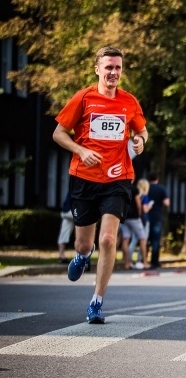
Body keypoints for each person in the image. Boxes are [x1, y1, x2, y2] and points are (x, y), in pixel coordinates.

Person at [53, 46, 148, 323]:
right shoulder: (84, 98)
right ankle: (84, 255)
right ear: (97, 69)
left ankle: (96, 301)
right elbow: (58, 133)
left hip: (118, 178)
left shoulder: (129, 101)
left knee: (108, 239)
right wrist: (81, 150)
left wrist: (141, 141)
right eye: (108, 67)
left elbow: (142, 131)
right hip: (84, 179)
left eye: (118, 67)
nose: (113, 72)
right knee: (84, 242)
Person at [119, 179, 148, 270]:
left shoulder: (120, 188)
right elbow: (138, 204)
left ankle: (127, 263)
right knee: (142, 238)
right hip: (134, 217)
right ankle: (145, 262)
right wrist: (139, 213)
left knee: (125, 239)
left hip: (124, 217)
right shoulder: (134, 189)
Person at [146, 172, 170, 269]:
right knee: (156, 240)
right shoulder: (161, 189)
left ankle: (143, 259)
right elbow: (167, 202)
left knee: (145, 239)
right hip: (157, 216)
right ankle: (154, 261)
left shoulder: (146, 189)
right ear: (157, 178)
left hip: (146, 216)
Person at [57, 193, 74, 264]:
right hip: (74, 210)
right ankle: (83, 257)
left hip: (66, 210)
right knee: (85, 230)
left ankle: (61, 255)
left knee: (64, 233)